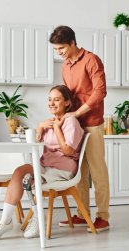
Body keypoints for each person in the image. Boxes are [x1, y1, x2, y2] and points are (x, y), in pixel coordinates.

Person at [0, 85, 85, 241]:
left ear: (67, 103)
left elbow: (68, 151)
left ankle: (38, 219)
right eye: (50, 99)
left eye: (56, 99)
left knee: (31, 179)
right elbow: (36, 144)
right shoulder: (49, 122)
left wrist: (57, 128)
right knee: (19, 172)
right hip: (45, 166)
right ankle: (5, 221)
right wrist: (39, 128)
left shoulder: (71, 122)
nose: (52, 103)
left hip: (63, 168)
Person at [49, 25, 110, 232]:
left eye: (62, 49)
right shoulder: (65, 66)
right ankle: (83, 214)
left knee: (97, 171)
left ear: (73, 43)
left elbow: (100, 92)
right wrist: (62, 116)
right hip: (73, 126)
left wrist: (76, 113)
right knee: (79, 172)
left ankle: (103, 216)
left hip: (92, 123)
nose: (59, 53)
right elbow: (68, 97)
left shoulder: (92, 60)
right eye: (56, 50)